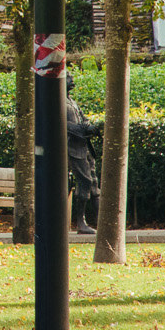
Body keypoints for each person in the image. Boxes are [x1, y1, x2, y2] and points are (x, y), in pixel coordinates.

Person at [66, 68, 102, 234]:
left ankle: (101, 222)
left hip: (85, 147)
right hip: (74, 149)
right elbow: (64, 125)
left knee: (94, 183)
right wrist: (82, 128)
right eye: (67, 77)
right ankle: (81, 223)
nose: (72, 79)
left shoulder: (72, 101)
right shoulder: (59, 102)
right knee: (85, 182)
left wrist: (89, 127)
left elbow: (83, 118)